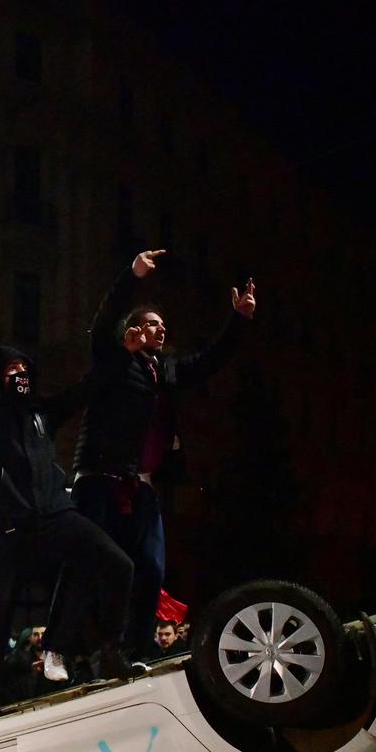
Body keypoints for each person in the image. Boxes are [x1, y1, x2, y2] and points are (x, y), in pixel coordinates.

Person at [0, 296, 137, 709]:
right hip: (10, 525)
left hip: (57, 513)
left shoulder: (41, 412)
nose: (19, 374)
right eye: (9, 370)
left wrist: (123, 355)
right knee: (0, 606)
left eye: (23, 368)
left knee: (117, 563)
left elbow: (85, 390)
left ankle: (102, 649)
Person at [70, 248, 257, 655]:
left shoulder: (164, 369)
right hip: (102, 479)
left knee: (151, 568)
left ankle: (137, 647)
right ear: (132, 331)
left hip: (142, 485)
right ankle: (93, 647)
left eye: (163, 326)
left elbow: (207, 362)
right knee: (103, 567)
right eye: (152, 324)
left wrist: (238, 322)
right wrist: (132, 275)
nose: (161, 330)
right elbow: (104, 323)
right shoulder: (113, 361)